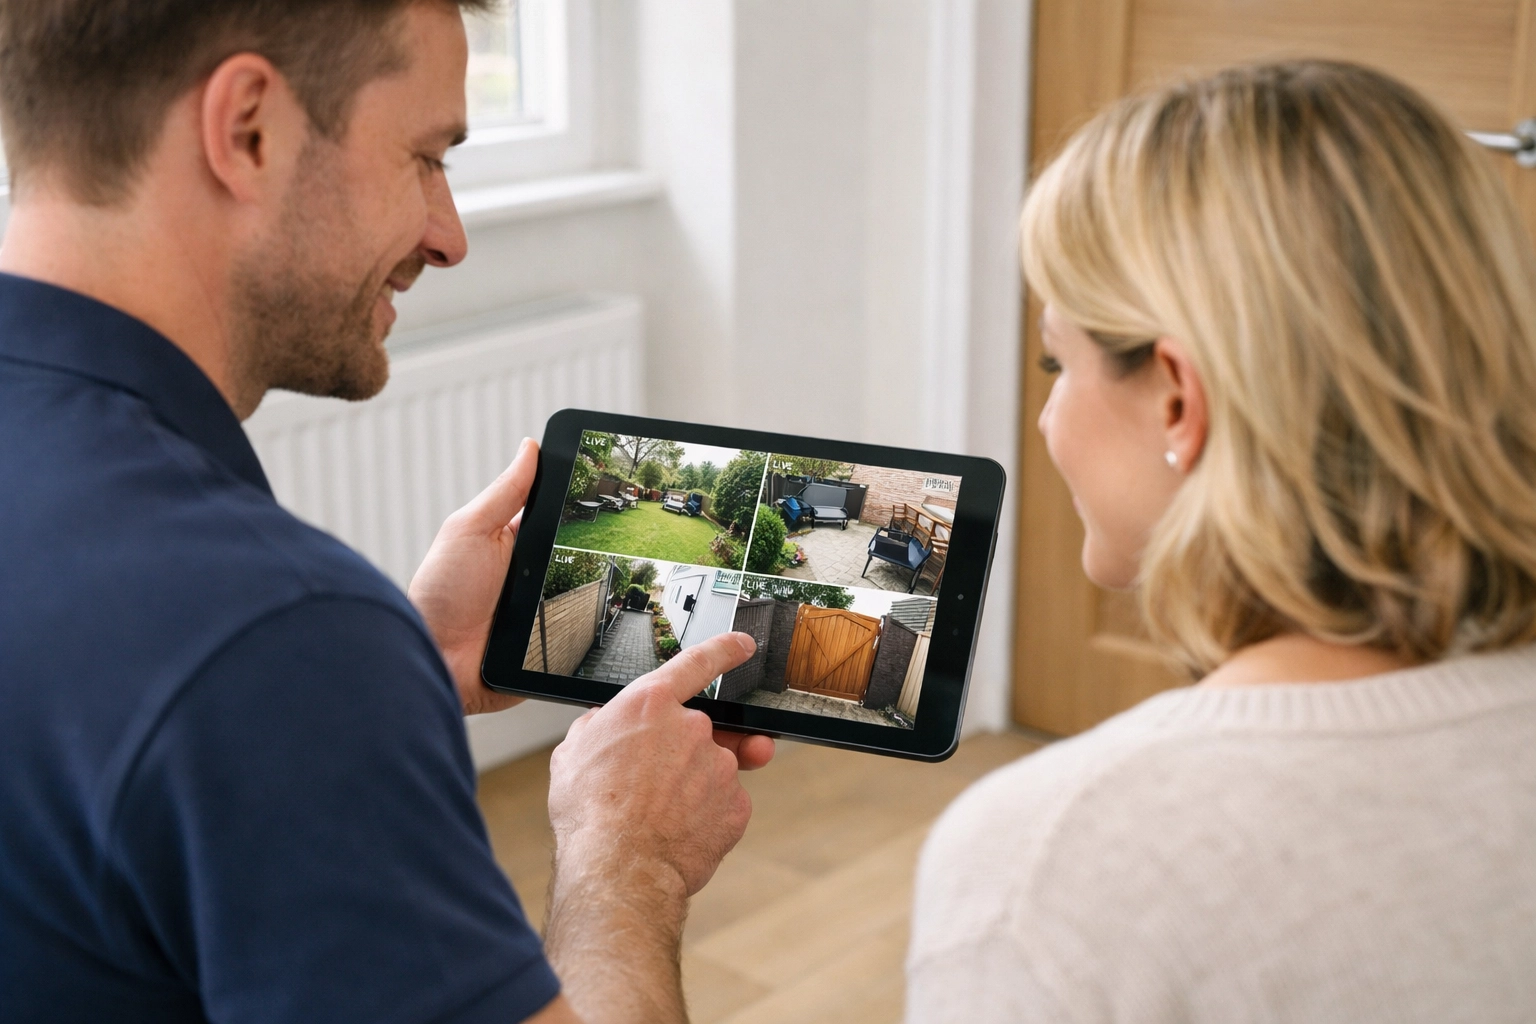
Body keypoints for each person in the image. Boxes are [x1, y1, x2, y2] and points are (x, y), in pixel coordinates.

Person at [0, 2, 771, 1022]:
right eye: (425, 157)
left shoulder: (248, 642)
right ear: (249, 131)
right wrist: (627, 860)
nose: (447, 236)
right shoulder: (270, 635)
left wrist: (396, 662)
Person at [907, 60, 1536, 1022]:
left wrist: (628, 881)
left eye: (1056, 362)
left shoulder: (1053, 867)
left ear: (1177, 399)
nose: (1043, 422)